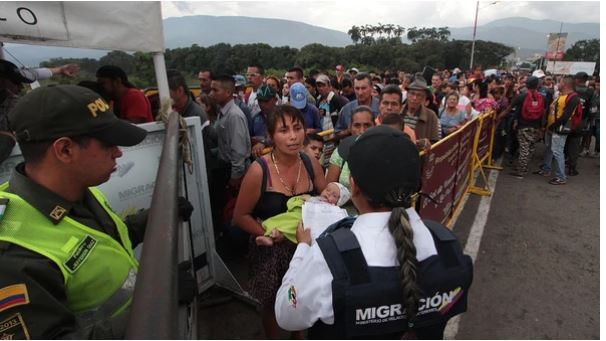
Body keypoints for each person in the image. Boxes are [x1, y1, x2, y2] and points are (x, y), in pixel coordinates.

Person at [0, 85, 193, 339]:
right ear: (65, 150)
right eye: (107, 144)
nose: (118, 152)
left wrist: (153, 220)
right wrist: (155, 307)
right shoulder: (13, 253)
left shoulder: (79, 191)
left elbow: (101, 243)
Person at [275, 125, 473, 339]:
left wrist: (303, 248)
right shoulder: (447, 245)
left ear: (354, 186)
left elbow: (286, 315)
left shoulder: (329, 256)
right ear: (417, 184)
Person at [233, 105, 326, 339]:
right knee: (272, 304)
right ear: (271, 136)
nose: (293, 136)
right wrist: (270, 234)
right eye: (284, 130)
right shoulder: (258, 170)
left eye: (298, 128)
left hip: (305, 248)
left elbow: (326, 201)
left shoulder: (309, 163)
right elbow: (240, 216)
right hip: (270, 251)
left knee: (302, 299)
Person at [255, 182, 350, 247]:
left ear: (338, 202)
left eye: (334, 195)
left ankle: (271, 237)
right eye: (327, 190)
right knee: (282, 219)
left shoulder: (333, 210)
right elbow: (291, 203)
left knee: (292, 226)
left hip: (306, 224)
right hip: (297, 215)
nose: (329, 194)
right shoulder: (313, 198)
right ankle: (270, 233)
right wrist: (303, 200)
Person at [534, 76, 580, 185]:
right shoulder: (561, 96)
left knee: (558, 151)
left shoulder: (573, 98)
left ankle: (561, 177)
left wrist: (552, 127)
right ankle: (546, 169)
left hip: (559, 129)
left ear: (565, 84)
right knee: (550, 149)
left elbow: (565, 116)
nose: (557, 84)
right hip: (553, 128)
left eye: (559, 82)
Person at [210, 75, 251, 189]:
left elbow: (239, 151)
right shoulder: (222, 112)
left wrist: (235, 178)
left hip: (233, 172)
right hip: (225, 167)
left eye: (215, 90)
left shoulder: (234, 116)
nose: (212, 94)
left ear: (228, 92)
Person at [326, 106, 374, 191]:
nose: (362, 131)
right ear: (350, 127)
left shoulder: (382, 152)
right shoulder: (340, 152)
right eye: (357, 125)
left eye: (367, 125)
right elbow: (329, 189)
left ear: (375, 127)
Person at [508, 76, 545, 179]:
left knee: (524, 148)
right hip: (536, 127)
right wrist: (542, 127)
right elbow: (544, 113)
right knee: (531, 147)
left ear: (527, 84)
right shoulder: (542, 97)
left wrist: (499, 118)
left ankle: (521, 171)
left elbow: (509, 109)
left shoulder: (521, 97)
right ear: (537, 85)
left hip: (524, 126)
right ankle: (524, 166)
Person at [335, 73, 380, 138]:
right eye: (357, 88)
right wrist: (348, 131)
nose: (360, 92)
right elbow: (337, 133)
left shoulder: (381, 108)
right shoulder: (347, 109)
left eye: (363, 88)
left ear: (371, 88)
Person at [402, 76, 440, 150]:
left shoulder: (431, 115)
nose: (414, 98)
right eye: (412, 94)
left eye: (419, 95)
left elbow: (435, 142)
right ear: (407, 94)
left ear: (424, 97)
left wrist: (426, 143)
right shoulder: (398, 111)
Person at [250, 85, 279, 158]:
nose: (262, 104)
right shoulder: (255, 118)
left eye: (266, 101)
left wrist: (263, 142)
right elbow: (250, 138)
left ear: (275, 100)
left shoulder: (284, 117)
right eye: (260, 101)